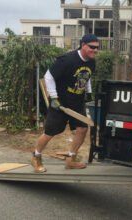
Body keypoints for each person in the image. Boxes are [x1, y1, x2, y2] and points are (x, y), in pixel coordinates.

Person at [31, 34, 99, 172]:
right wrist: (54, 98)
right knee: (50, 132)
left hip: (77, 102)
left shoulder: (91, 61)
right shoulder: (67, 59)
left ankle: (70, 160)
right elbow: (48, 77)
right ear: (83, 44)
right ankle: (36, 156)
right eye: (92, 47)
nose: (95, 50)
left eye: (97, 48)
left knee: (82, 129)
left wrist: (89, 91)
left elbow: (87, 76)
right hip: (60, 103)